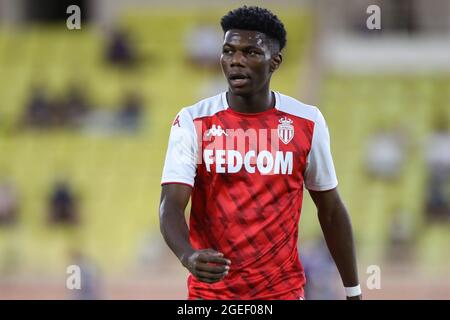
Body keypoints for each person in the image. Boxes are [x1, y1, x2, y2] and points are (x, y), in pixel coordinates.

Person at [159, 6, 361, 300]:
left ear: (274, 61)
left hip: (282, 292)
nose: (236, 61)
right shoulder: (193, 121)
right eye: (228, 51)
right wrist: (187, 256)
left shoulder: (307, 122)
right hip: (211, 296)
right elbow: (170, 205)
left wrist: (353, 291)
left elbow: (330, 210)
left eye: (251, 52)